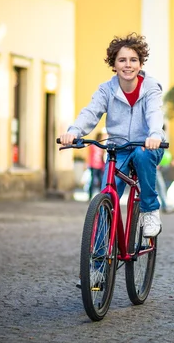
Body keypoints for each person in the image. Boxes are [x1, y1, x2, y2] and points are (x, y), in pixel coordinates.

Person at [58, 33, 166, 238]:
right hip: (118, 149)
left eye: (133, 60)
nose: (128, 65)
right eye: (122, 60)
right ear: (113, 64)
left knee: (143, 155)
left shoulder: (150, 87)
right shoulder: (106, 90)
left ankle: (150, 210)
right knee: (107, 196)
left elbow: (154, 112)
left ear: (141, 64)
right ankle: (97, 261)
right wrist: (74, 132)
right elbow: (91, 112)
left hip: (147, 146)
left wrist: (154, 135)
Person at [86, 130, 107, 200]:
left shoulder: (102, 146)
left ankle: (101, 196)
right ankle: (90, 196)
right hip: (93, 165)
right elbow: (90, 155)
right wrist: (88, 163)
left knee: (101, 181)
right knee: (92, 181)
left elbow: (102, 156)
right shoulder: (93, 145)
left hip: (100, 165)